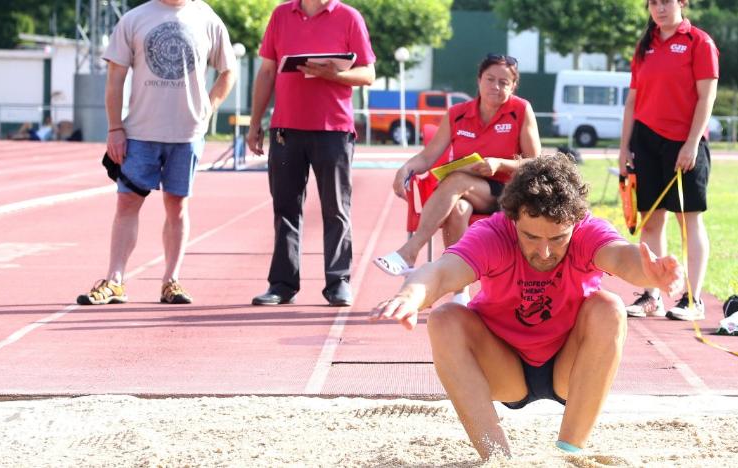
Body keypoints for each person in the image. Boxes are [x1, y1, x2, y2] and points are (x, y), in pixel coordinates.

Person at [371, 154, 684, 460]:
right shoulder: (493, 234)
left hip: (569, 366)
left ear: (575, 222)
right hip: (505, 366)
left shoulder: (587, 232)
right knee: (444, 319)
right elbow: (441, 272)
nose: (544, 251)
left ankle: (569, 453)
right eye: (531, 236)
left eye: (558, 238)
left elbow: (619, 256)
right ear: (513, 219)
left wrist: (650, 273)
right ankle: (497, 457)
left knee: (610, 308)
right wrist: (409, 296)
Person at [76, 0, 236, 306]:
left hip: (187, 134)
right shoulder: (135, 19)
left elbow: (228, 71)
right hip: (140, 132)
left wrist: (208, 110)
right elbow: (115, 79)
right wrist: (114, 128)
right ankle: (115, 280)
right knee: (127, 202)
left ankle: (170, 281)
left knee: (176, 205)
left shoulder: (207, 18)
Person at [373, 54, 541, 305]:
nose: (496, 86)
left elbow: (536, 163)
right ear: (479, 80)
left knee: (455, 180)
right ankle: (461, 291)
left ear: (513, 86)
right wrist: (406, 169)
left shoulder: (520, 110)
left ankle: (410, 252)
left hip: (510, 191)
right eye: (490, 79)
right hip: (471, 192)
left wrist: (500, 163)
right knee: (458, 210)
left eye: (504, 82)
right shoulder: (458, 114)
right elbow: (428, 157)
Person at [247, 0, 376, 307]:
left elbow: (368, 73)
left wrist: (335, 76)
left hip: (334, 129)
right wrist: (255, 123)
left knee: (336, 209)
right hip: (285, 129)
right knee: (286, 210)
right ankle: (282, 284)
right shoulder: (280, 15)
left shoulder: (349, 17)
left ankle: (338, 281)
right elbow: (267, 72)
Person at [618, 0, 718, 321]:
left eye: (667, 2)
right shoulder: (644, 45)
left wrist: (691, 143)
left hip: (684, 142)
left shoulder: (699, 42)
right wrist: (624, 148)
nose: (660, 9)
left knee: (688, 219)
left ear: (682, 3)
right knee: (650, 220)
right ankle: (652, 296)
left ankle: (692, 299)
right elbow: (633, 101)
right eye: (654, 3)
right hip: (646, 141)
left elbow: (707, 96)